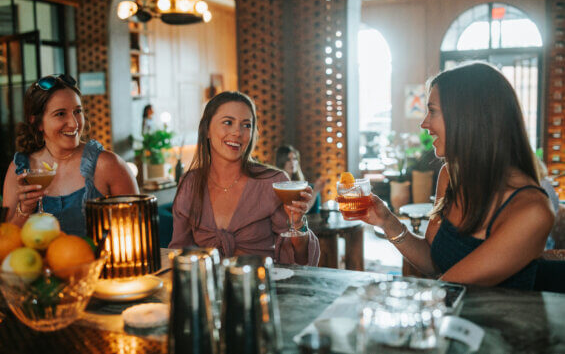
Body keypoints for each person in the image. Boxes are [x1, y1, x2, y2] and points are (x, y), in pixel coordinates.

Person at [360, 62, 554, 290]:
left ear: (468, 118)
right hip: (453, 321)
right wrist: (387, 221)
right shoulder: (451, 175)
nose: (424, 124)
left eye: (432, 111)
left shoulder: (531, 211)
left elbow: (450, 286)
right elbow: (434, 262)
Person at [169, 91, 320, 265]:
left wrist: (298, 223)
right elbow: (179, 252)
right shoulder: (190, 183)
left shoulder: (273, 182)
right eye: (228, 122)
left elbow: (300, 260)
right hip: (207, 289)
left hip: (260, 286)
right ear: (207, 130)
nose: (237, 132)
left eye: (246, 125)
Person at [2, 74, 139, 236]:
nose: (74, 123)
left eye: (77, 111)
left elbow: (139, 229)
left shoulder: (107, 165)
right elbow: (6, 240)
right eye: (60, 114)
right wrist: (24, 210)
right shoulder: (20, 169)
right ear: (37, 122)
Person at [275, 144, 325, 214]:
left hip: (302, 219)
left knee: (312, 188)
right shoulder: (278, 185)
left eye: (294, 159)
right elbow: (299, 210)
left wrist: (316, 190)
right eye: (288, 159)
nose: (292, 162)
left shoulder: (299, 182)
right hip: (289, 218)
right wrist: (315, 191)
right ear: (281, 161)